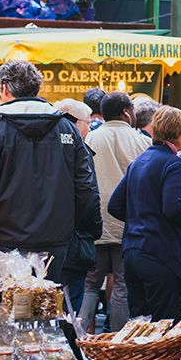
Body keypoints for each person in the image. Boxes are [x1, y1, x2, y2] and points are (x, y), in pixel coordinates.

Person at [0, 61, 95, 283]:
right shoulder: (66, 126)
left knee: (10, 306)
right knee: (48, 306)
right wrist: (69, 222)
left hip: (7, 237)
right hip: (56, 236)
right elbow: (84, 185)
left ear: (5, 89)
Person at [108, 106, 181, 320]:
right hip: (159, 253)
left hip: (131, 253)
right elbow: (172, 208)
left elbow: (114, 205)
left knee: (140, 323)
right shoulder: (173, 162)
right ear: (178, 134)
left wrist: (139, 217)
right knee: (164, 325)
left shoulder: (138, 161)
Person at [81, 91, 150, 333]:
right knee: (122, 284)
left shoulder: (90, 137)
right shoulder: (141, 140)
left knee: (90, 283)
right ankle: (116, 341)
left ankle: (81, 340)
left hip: (94, 221)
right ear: (126, 112)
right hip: (127, 222)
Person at [54, 99, 103, 314]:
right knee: (69, 309)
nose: (89, 128)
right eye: (87, 123)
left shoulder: (46, 147)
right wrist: (94, 229)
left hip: (48, 240)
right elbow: (89, 197)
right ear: (73, 123)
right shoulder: (80, 151)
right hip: (73, 240)